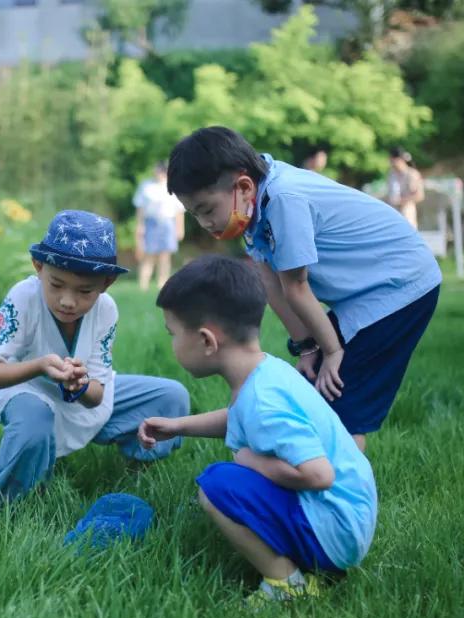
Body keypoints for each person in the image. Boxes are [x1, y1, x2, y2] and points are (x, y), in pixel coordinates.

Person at [165, 126, 441, 453]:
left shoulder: (283, 199)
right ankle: (309, 467)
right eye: (195, 214)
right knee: (313, 388)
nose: (205, 223)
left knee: (339, 400)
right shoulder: (252, 203)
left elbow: (295, 286)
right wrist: (309, 347)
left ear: (243, 186)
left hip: (400, 285)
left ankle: (342, 479)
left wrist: (333, 351)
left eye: (208, 210)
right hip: (365, 294)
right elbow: (270, 282)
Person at [138, 255, 376, 608]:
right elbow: (239, 417)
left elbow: (319, 474)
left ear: (206, 341)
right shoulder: (267, 372)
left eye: (173, 334)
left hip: (336, 531)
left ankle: (285, 583)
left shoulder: (264, 402)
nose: (172, 344)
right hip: (345, 519)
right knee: (231, 482)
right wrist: (178, 426)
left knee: (216, 485)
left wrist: (251, 461)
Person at [0, 209, 190, 502]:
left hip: (76, 394)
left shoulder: (106, 309)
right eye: (56, 285)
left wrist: (80, 385)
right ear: (38, 267)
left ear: (106, 283)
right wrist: (40, 366)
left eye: (85, 291)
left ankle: (136, 476)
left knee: (171, 396)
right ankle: (7, 500)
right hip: (25, 388)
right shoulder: (24, 297)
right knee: (35, 419)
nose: (68, 301)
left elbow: (97, 395)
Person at [133, 162, 186, 291]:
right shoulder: (146, 186)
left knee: (165, 256)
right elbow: (140, 208)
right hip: (151, 222)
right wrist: (140, 226)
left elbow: (179, 210)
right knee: (149, 255)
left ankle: (162, 283)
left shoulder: (173, 187)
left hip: (168, 223)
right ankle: (143, 284)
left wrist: (180, 228)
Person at [387, 146, 425, 229]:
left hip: (407, 215)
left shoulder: (412, 174)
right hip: (393, 215)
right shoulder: (391, 175)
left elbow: (420, 195)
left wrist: (401, 201)